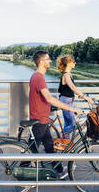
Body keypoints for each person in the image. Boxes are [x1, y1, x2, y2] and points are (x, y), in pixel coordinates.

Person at [28, 50, 82, 179]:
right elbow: (49, 98)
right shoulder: (38, 78)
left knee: (49, 146)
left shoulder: (38, 77)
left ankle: (59, 170)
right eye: (47, 59)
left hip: (43, 119)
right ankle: (22, 175)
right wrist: (71, 109)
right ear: (41, 62)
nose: (50, 61)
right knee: (31, 152)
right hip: (39, 119)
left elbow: (45, 96)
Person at [57, 55, 93, 138]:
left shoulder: (68, 74)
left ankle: (65, 143)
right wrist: (84, 97)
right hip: (65, 101)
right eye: (74, 62)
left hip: (68, 100)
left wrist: (79, 95)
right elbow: (72, 87)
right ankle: (61, 135)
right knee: (73, 124)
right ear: (69, 63)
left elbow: (71, 89)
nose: (75, 63)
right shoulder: (66, 75)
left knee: (68, 123)